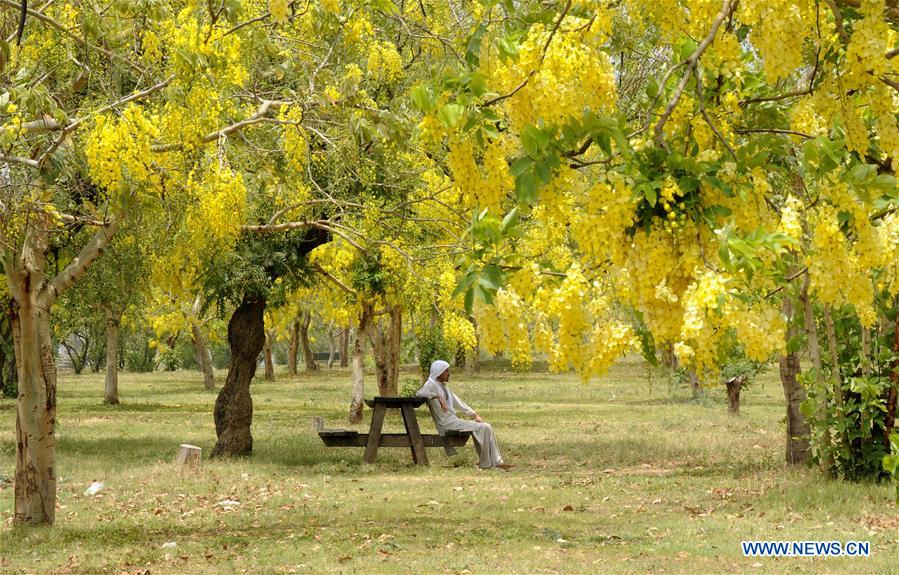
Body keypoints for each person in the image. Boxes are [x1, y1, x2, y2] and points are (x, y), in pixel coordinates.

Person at [416, 359, 511, 470]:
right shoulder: (431, 384)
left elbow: (458, 402)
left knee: (486, 427)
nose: (449, 373)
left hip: (453, 421)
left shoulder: (444, 386)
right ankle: (487, 464)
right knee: (484, 427)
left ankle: (495, 462)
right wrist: (438, 397)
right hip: (446, 423)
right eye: (446, 371)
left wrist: (474, 415)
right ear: (439, 372)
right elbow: (420, 393)